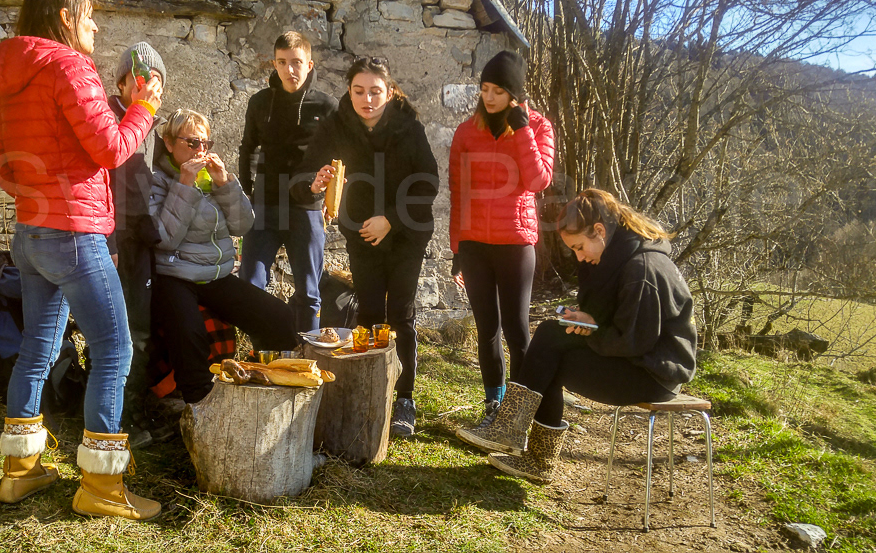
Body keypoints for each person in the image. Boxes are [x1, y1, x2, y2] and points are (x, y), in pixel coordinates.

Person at [0, 0, 163, 520]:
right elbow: (109, 149)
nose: (95, 26)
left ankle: (20, 472)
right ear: (64, 17)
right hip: (75, 234)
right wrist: (145, 108)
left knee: (38, 347)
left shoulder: (12, 74)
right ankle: (102, 487)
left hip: (30, 235)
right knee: (114, 349)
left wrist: (37, 195)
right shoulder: (70, 67)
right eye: (88, 16)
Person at [456, 189, 698, 484]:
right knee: (548, 335)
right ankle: (521, 440)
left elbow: (633, 341)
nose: (579, 256)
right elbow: (609, 317)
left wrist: (591, 331)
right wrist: (587, 319)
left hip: (654, 373)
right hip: (633, 355)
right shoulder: (612, 256)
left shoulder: (642, 269)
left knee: (551, 356)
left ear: (599, 231)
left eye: (580, 247)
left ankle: (523, 442)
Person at [297, 56, 439, 437]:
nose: (367, 99)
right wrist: (316, 180)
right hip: (361, 233)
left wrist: (390, 218)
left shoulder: (409, 127)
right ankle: (373, 390)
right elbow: (307, 172)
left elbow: (428, 184)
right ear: (349, 90)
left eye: (375, 91)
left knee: (401, 314)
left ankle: (404, 398)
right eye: (358, 90)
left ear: (389, 93)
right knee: (370, 313)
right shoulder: (336, 125)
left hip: (407, 231)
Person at [150, 109, 300, 404]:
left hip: (215, 274)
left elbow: (243, 225)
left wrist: (226, 184)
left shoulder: (211, 178)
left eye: (206, 143)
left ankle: (270, 388)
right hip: (174, 274)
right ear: (169, 143)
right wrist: (184, 185)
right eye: (192, 143)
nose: (201, 150)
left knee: (278, 317)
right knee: (190, 333)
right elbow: (164, 238)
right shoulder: (158, 179)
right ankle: (198, 405)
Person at [449, 51, 555, 427]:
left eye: (497, 90)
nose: (489, 97)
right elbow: (458, 192)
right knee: (487, 329)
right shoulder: (466, 131)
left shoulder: (539, 128)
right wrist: (456, 247)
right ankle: (494, 402)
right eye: (484, 89)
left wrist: (522, 130)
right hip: (475, 244)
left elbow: (538, 181)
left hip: (516, 242)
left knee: (517, 330)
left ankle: (522, 410)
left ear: (515, 94)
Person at [239, 31, 338, 332]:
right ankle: (262, 356)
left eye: (296, 62)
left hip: (305, 206)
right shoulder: (260, 102)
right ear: (275, 63)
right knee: (251, 286)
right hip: (264, 207)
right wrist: (244, 195)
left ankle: (307, 362)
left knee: (309, 293)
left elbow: (339, 158)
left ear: (309, 64)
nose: (289, 70)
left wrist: (331, 201)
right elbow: (247, 149)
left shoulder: (326, 106)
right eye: (282, 62)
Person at [106, 42, 167, 448]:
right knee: (114, 330)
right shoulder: (108, 122)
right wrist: (108, 241)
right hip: (111, 241)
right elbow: (101, 186)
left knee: (141, 325)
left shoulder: (153, 129)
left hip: (141, 240)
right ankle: (113, 418)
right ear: (122, 82)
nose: (147, 88)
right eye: (140, 79)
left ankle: (136, 407)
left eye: (156, 82)